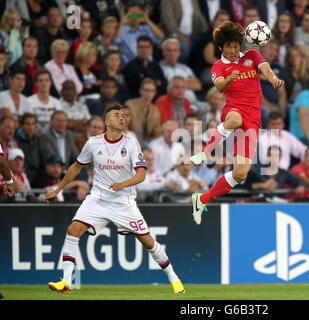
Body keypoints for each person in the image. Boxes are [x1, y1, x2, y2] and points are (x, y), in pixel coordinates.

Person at [45, 104, 185, 294]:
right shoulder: (93, 143)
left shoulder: (131, 144)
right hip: (98, 199)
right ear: (107, 122)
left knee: (148, 242)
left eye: (123, 115)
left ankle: (173, 277)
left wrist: (124, 183)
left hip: (123, 203)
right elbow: (76, 167)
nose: (122, 118)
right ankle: (66, 281)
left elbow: (141, 174)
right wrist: (58, 188)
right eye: (117, 115)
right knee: (73, 230)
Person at [189, 20, 284, 224]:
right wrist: (230, 79)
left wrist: (274, 79)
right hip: (234, 108)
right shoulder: (218, 66)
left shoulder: (251, 56)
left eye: (236, 45)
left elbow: (265, 68)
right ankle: (204, 153)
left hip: (254, 119)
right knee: (234, 119)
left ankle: (202, 199)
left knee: (241, 173)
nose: (233, 50)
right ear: (221, 47)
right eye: (229, 46)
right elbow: (220, 86)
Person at [116, 1, 164, 66]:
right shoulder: (121, 30)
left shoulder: (146, 28)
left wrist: (147, 20)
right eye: (132, 13)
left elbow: (161, 37)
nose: (135, 16)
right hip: (130, 67)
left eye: (137, 13)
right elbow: (116, 40)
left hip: (148, 65)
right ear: (126, 15)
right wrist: (122, 23)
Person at [159, 38, 202, 104]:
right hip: (173, 103)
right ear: (163, 52)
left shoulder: (185, 68)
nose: (172, 53)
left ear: (179, 52)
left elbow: (198, 86)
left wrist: (175, 85)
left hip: (193, 102)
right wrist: (187, 82)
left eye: (175, 50)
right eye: (169, 50)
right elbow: (164, 86)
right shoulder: (158, 68)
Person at [123, 35, 167, 100]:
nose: (144, 50)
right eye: (141, 47)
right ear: (137, 48)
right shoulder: (130, 67)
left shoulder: (155, 66)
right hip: (137, 101)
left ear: (151, 49)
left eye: (147, 47)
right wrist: (156, 82)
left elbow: (164, 84)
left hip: (157, 100)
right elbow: (133, 89)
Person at [259, 40, 288, 125]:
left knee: (292, 109)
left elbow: (282, 93)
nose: (273, 52)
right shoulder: (253, 66)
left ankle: (289, 137)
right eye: (270, 48)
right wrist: (273, 109)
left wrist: (282, 110)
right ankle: (268, 138)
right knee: (268, 113)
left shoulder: (278, 69)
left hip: (276, 104)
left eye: (275, 50)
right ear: (261, 48)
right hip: (260, 103)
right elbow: (256, 94)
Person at [27, 68, 61, 133]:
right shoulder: (29, 101)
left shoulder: (57, 103)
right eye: (40, 80)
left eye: (46, 80)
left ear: (50, 83)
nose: (44, 83)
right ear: (36, 84)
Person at [14, 112, 40, 184]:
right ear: (22, 125)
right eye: (27, 124)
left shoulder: (38, 139)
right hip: (22, 174)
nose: (30, 127)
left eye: (33, 124)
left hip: (37, 176)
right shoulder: (15, 140)